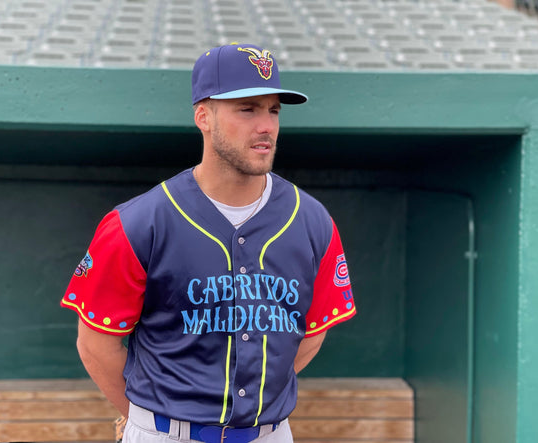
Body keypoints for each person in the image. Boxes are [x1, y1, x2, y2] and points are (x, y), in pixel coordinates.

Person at [61, 43, 357, 443]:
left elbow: (310, 334)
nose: (266, 125)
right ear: (203, 116)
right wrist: (142, 421)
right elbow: (96, 343)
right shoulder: (137, 222)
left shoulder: (312, 220)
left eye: (273, 110)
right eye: (247, 109)